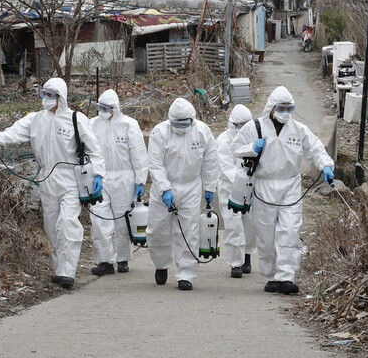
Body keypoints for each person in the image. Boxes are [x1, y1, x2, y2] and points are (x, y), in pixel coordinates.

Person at [0, 77, 105, 289]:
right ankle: (59, 270)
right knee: (52, 225)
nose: (46, 99)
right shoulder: (35, 120)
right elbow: (14, 132)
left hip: (70, 179)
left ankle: (68, 272)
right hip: (46, 178)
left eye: (51, 95)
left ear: (61, 97)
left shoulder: (76, 119)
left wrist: (98, 175)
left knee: (67, 223)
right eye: (44, 94)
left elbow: (95, 150)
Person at [234, 86, 333, 295]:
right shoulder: (255, 127)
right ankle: (271, 276)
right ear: (272, 107)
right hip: (263, 185)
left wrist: (326, 165)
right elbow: (235, 147)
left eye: (289, 108)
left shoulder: (298, 129)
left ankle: (286, 276)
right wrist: (252, 148)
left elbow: (315, 148)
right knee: (266, 233)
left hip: (290, 185)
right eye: (282, 108)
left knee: (289, 231)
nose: (285, 112)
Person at [146, 97, 219, 291]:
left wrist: (210, 187)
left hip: (191, 187)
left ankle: (186, 273)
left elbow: (211, 160)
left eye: (184, 123)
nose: (180, 127)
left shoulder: (203, 131)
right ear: (170, 120)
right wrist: (164, 188)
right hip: (164, 188)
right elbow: (154, 162)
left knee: (189, 231)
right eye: (176, 123)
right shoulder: (159, 132)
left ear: (192, 119)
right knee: (157, 230)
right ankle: (161, 265)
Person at [88, 89, 148, 276]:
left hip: (124, 178)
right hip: (100, 177)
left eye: (106, 108)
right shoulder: (92, 125)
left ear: (115, 108)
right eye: (100, 107)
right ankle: (105, 261)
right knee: (98, 219)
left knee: (123, 220)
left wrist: (140, 180)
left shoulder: (129, 125)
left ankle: (123, 259)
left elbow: (138, 154)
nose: (102, 111)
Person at [215, 103, 257, 278]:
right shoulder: (223, 141)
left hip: (249, 187)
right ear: (233, 124)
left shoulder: (253, 138)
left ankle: (246, 255)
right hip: (229, 187)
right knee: (233, 224)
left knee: (250, 222)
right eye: (241, 125)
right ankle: (235, 263)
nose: (244, 129)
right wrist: (241, 180)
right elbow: (226, 167)